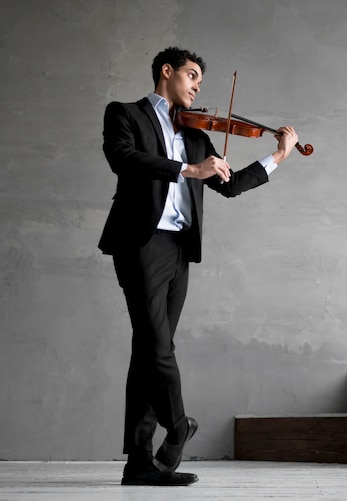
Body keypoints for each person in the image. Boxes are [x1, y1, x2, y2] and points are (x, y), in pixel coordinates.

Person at [98, 47, 299, 486]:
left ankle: (138, 463)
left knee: (150, 351)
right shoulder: (126, 114)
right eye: (191, 76)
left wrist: (278, 158)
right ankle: (180, 423)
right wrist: (188, 169)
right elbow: (123, 159)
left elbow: (228, 185)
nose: (196, 86)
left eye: (200, 82)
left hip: (179, 248)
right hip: (140, 243)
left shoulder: (194, 131)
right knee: (156, 345)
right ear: (166, 72)